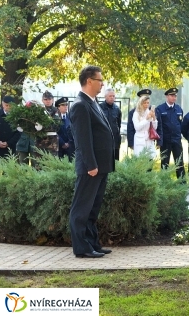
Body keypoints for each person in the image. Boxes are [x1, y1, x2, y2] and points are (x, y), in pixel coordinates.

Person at [68, 65, 115, 259]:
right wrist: (91, 165)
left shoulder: (93, 102)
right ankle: (82, 247)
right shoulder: (80, 105)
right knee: (82, 208)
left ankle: (92, 243)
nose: (102, 83)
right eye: (99, 80)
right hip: (91, 167)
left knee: (93, 209)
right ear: (89, 81)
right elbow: (83, 140)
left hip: (100, 166)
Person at [155, 88, 185, 179]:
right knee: (165, 163)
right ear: (167, 96)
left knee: (179, 162)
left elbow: (180, 124)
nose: (174, 97)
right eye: (172, 95)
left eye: (175, 96)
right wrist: (159, 141)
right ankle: (164, 182)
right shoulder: (160, 109)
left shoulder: (178, 108)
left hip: (176, 140)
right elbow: (158, 126)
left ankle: (181, 182)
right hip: (165, 140)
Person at [131, 93, 158, 157]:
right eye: (144, 103)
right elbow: (137, 127)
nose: (146, 105)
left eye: (148, 103)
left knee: (150, 161)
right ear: (141, 103)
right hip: (140, 140)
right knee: (141, 161)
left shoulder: (149, 112)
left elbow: (154, 127)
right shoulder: (136, 113)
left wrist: (154, 118)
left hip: (149, 139)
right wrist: (146, 119)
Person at [99, 89, 122, 161]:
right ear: (105, 97)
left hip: (115, 139)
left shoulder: (117, 109)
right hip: (103, 140)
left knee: (115, 161)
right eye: (110, 96)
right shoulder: (99, 108)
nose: (112, 97)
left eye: (113, 96)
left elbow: (119, 124)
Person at [127, 88, 151, 156]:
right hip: (139, 140)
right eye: (144, 99)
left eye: (147, 100)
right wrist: (131, 143)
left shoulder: (151, 111)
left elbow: (156, 127)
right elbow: (130, 128)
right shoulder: (134, 112)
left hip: (148, 140)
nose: (146, 103)